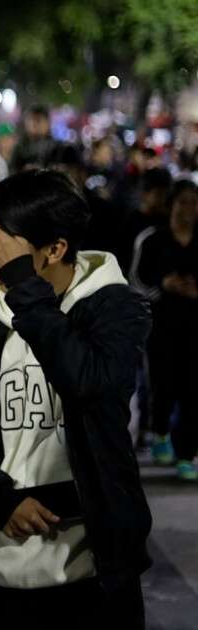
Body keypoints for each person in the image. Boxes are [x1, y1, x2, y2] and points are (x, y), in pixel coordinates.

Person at [0, 169, 151, 629]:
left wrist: (24, 288)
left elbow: (89, 384)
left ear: (55, 249)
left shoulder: (114, 308)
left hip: (94, 578)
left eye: (3, 244)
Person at [130, 179, 198, 479]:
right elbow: (135, 281)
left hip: (195, 326)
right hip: (161, 327)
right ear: (171, 204)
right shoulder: (152, 239)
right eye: (183, 201)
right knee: (163, 384)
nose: (189, 209)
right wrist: (164, 286)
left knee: (193, 389)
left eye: (195, 202)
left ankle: (187, 453)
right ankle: (159, 432)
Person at [45, 144, 122, 256]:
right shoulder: (42, 210)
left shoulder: (102, 211)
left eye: (65, 173)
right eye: (53, 173)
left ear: (81, 174)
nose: (58, 181)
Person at [116, 167, 172, 272]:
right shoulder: (129, 221)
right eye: (159, 194)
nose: (164, 199)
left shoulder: (168, 220)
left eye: (167, 194)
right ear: (144, 193)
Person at [10, 105, 56, 172]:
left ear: (47, 123)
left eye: (38, 120)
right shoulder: (20, 147)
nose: (33, 124)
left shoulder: (55, 147)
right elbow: (12, 170)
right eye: (30, 120)